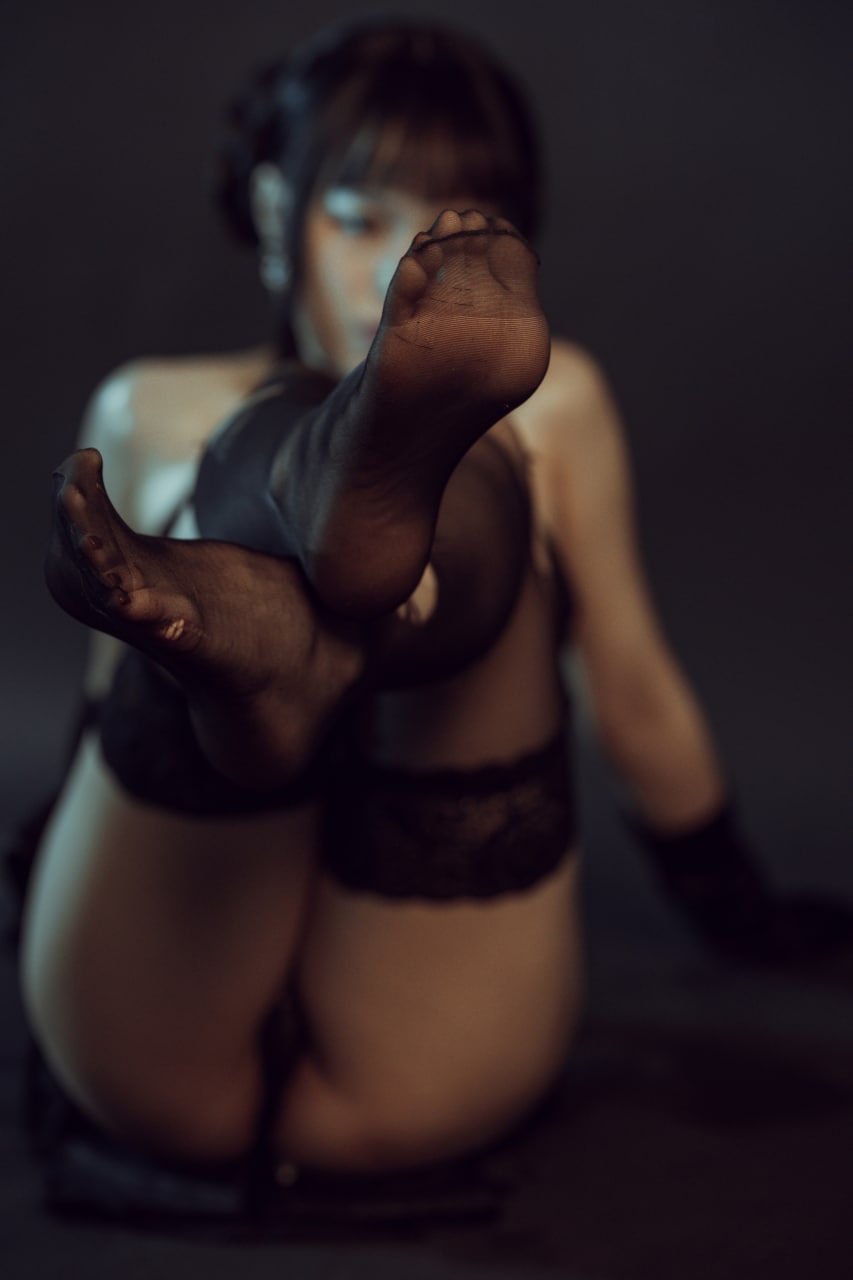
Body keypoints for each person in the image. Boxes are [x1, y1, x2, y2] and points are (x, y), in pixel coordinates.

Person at [14, 17, 851, 1215]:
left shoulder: (545, 401)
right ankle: (299, 539)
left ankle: (319, 564)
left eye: (446, 226)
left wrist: (737, 903)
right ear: (275, 212)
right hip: (174, 985)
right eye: (358, 218)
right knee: (244, 484)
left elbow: (630, 690)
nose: (387, 270)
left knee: (466, 478)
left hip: (367, 1038)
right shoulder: (151, 404)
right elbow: (626, 685)